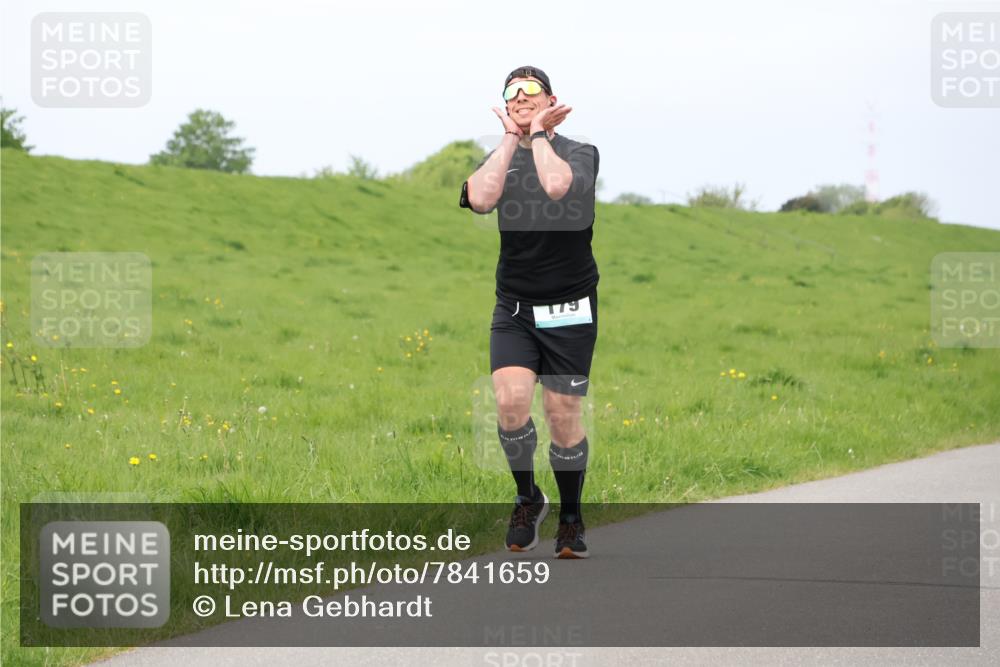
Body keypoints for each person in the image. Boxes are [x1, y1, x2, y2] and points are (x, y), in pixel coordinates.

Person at [459, 66, 600, 559]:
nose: (520, 97)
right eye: (511, 92)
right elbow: (480, 200)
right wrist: (509, 139)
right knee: (510, 403)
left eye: (531, 90)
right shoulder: (500, 157)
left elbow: (558, 187)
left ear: (551, 100)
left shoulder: (580, 152)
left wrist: (538, 134)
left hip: (569, 308)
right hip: (515, 307)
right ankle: (528, 497)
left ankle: (570, 517)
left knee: (562, 416)